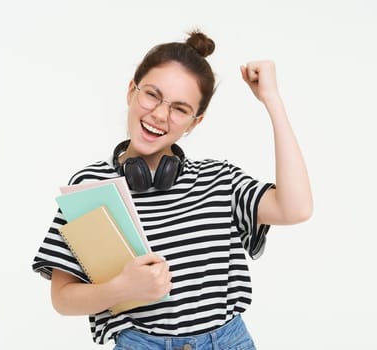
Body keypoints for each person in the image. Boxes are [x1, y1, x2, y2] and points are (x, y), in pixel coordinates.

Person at [31, 29, 312, 349]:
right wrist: (122, 289)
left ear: (196, 121)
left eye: (180, 108)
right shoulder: (89, 187)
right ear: (130, 91)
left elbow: (297, 208)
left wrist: (272, 100)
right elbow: (63, 298)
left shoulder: (220, 180)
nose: (160, 115)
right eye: (152, 94)